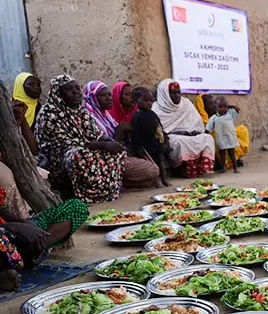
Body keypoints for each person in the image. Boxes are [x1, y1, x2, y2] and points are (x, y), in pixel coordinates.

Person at [34, 75, 126, 204]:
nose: (76, 92)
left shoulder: (80, 111)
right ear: (58, 93)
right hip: (56, 158)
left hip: (85, 147)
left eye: (77, 88)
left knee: (117, 150)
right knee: (79, 156)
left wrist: (107, 141)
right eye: (69, 89)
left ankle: (103, 192)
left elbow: (95, 133)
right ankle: (82, 195)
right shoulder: (49, 113)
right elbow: (65, 143)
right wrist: (102, 145)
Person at [0, 159, 88, 292]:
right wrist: (14, 227)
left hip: (10, 233)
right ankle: (6, 270)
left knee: (77, 207)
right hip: (4, 235)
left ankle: (37, 246)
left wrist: (24, 225)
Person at [152, 80, 215, 178]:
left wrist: (194, 132)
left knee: (208, 138)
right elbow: (160, 130)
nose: (177, 96)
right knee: (179, 142)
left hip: (191, 134)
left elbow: (197, 123)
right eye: (173, 93)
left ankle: (202, 169)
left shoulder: (186, 103)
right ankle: (184, 170)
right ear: (165, 94)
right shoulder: (157, 108)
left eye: (178, 92)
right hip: (173, 136)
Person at [194, 93, 250, 170]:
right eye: (210, 104)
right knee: (213, 138)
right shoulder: (203, 120)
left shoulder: (223, 114)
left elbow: (236, 110)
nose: (214, 106)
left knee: (242, 131)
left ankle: (234, 162)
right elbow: (206, 131)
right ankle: (221, 164)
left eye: (215, 103)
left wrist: (227, 106)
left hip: (228, 139)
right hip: (219, 141)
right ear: (203, 107)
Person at [129, 87, 169, 187]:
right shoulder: (137, 116)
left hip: (156, 143)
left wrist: (164, 139)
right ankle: (156, 181)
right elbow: (136, 133)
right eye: (145, 100)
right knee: (152, 163)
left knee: (160, 161)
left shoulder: (152, 113)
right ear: (136, 100)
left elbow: (159, 126)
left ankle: (164, 179)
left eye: (151, 101)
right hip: (146, 145)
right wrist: (138, 147)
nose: (149, 103)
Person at [206, 97, 241, 173]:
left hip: (230, 137)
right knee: (222, 154)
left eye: (225, 106)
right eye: (220, 107)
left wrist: (230, 106)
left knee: (232, 153)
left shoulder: (230, 113)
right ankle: (223, 167)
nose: (223, 109)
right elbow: (208, 128)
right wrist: (205, 134)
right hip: (221, 138)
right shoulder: (214, 118)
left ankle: (235, 168)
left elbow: (238, 109)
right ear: (216, 107)